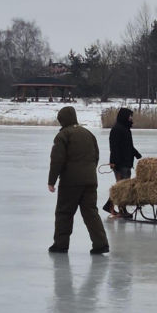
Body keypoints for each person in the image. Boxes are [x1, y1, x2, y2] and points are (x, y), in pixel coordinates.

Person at [48, 105, 110, 254]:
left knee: (64, 213)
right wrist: (89, 172)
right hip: (90, 180)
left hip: (71, 182)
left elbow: (57, 160)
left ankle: (60, 245)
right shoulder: (88, 133)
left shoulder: (63, 135)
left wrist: (52, 180)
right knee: (91, 212)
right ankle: (101, 244)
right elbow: (96, 156)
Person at [102, 107, 142, 219]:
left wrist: (136, 153)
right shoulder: (117, 129)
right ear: (124, 116)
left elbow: (128, 146)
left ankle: (111, 206)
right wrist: (114, 162)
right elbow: (114, 147)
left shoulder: (125, 128)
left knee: (122, 187)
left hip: (126, 162)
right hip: (120, 163)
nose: (131, 118)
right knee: (122, 188)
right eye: (130, 116)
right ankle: (120, 209)